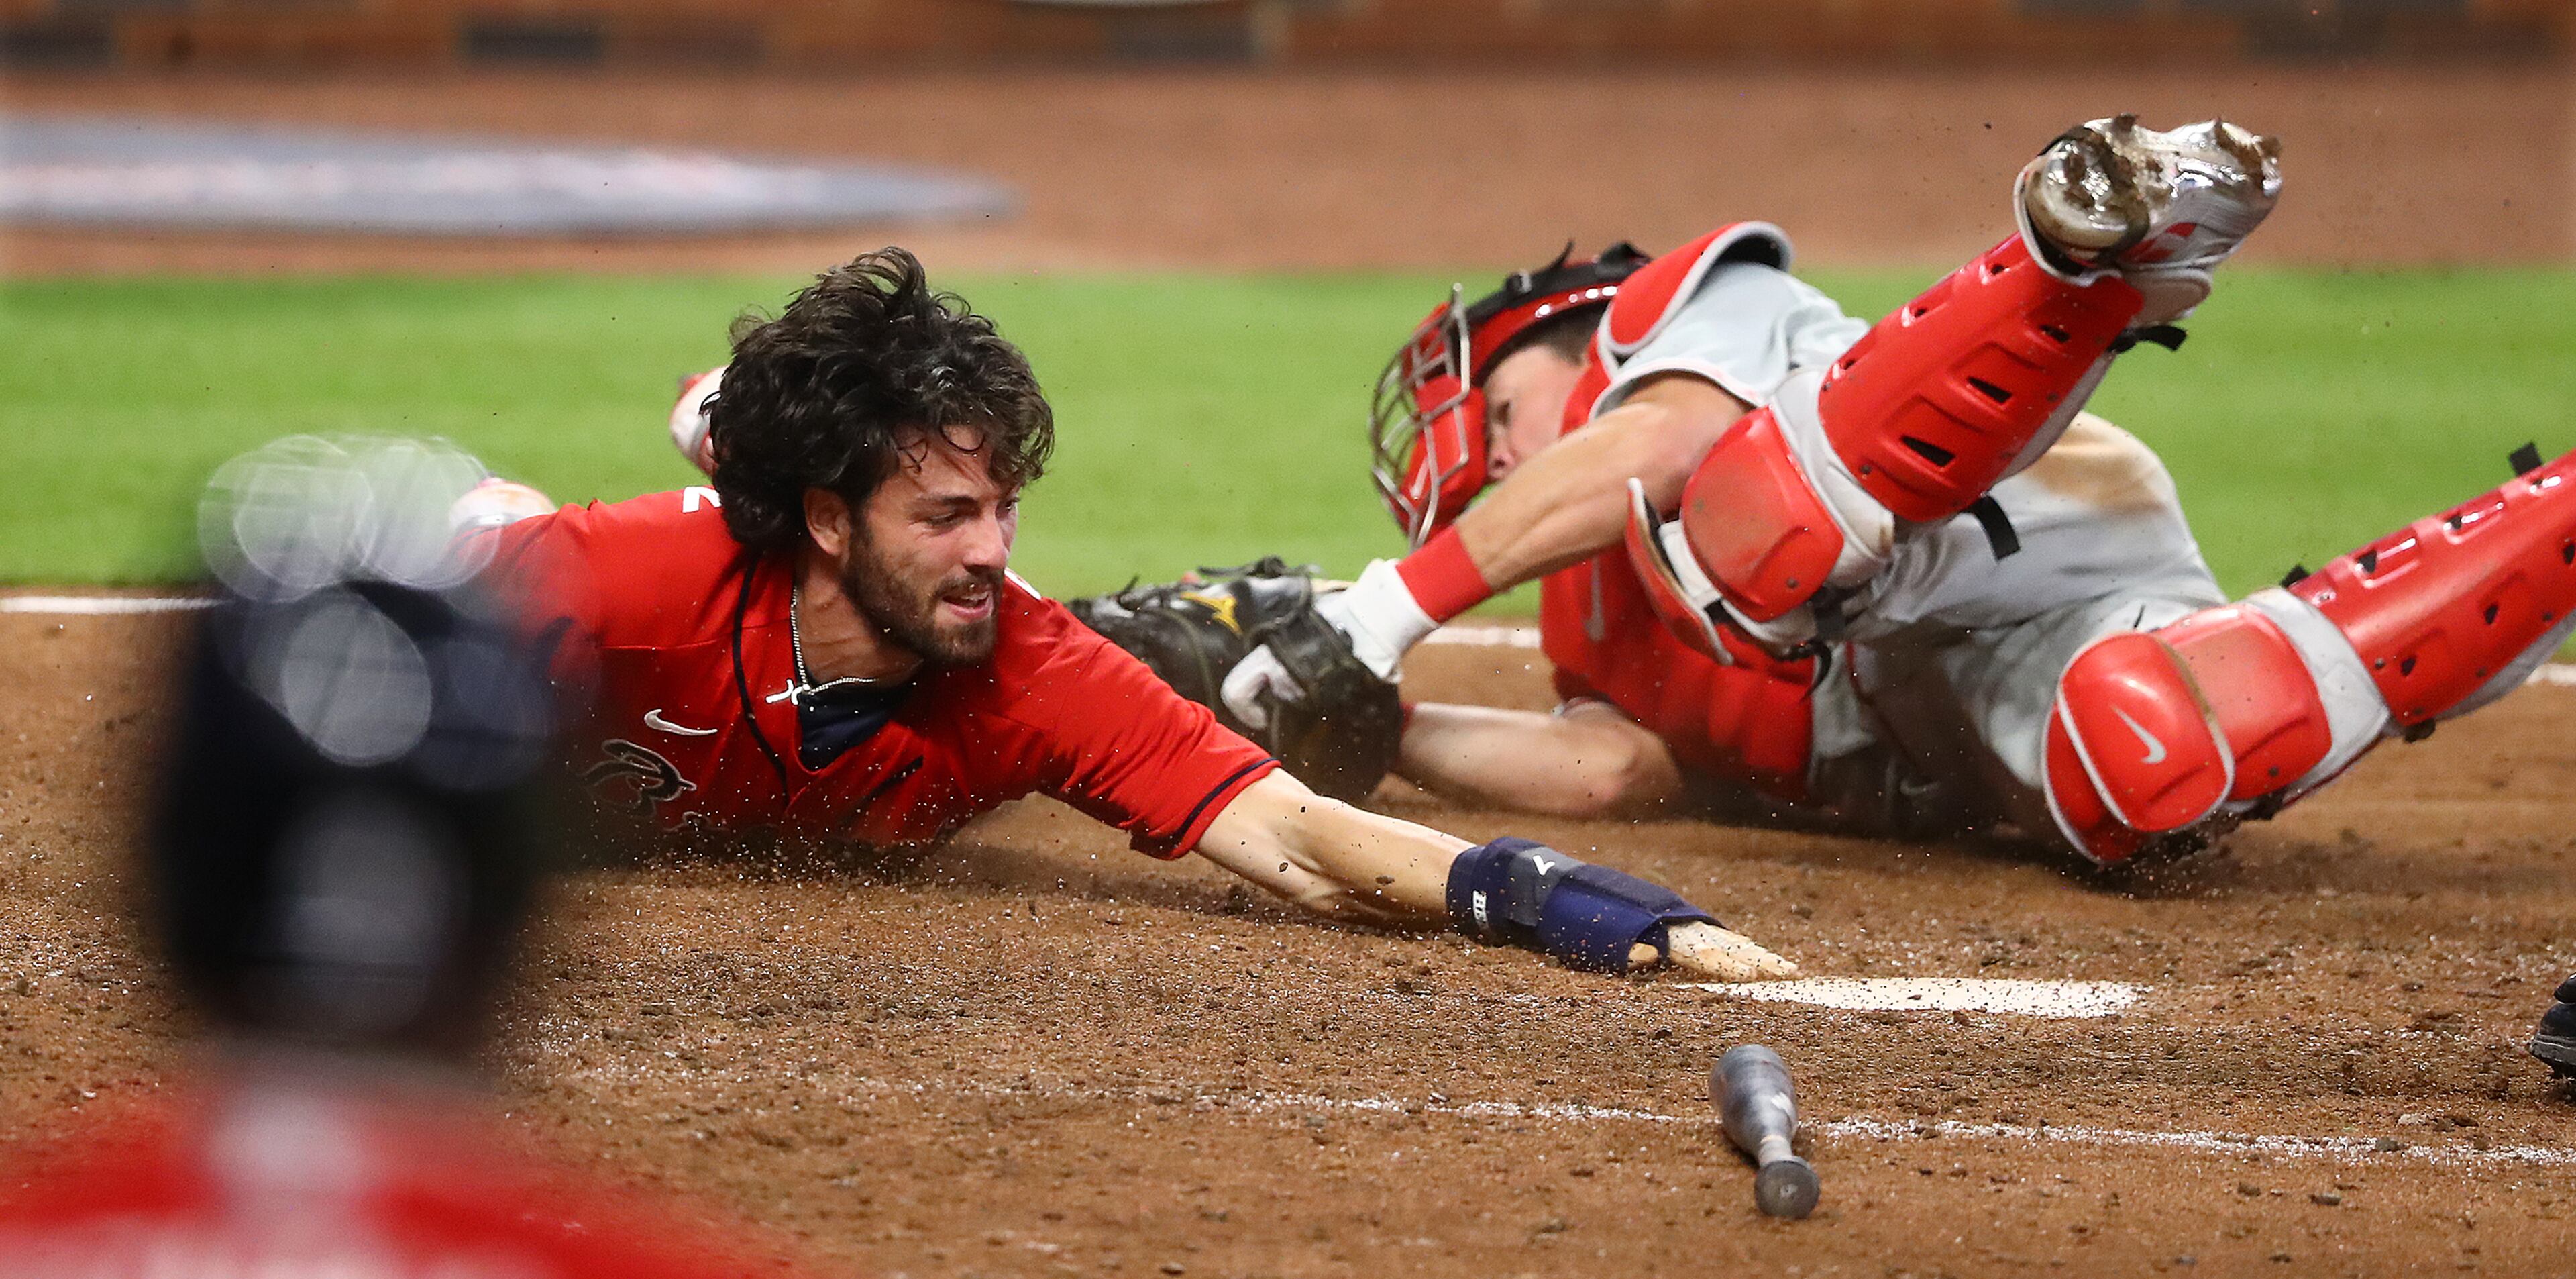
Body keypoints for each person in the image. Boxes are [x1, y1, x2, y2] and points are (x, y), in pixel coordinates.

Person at [1206, 115, 2576, 869]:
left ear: (1572, 336)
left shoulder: (1678, 318)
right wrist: (1377, 723)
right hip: (1959, 675)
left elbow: (1649, 452)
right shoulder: (1585, 620)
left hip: (2014, 522)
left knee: (1745, 531)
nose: (1490, 460)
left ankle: (2108, 252)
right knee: (2151, 762)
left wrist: (1373, 616)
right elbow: (1611, 768)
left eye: (1497, 408)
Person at [458, 248, 1794, 982]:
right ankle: (707, 421)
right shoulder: (610, 588)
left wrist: (1520, 890)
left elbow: (1296, 835)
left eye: (1003, 507)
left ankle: (740, 420)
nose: (990, 553)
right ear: (823, 515)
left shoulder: (1032, 667)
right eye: (942, 519)